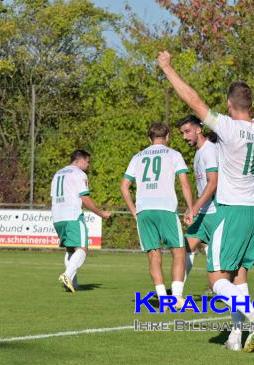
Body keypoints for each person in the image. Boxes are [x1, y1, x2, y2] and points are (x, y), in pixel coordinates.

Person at [159, 49, 254, 351]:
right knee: (238, 275)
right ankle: (235, 337)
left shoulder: (229, 128)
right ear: (252, 105)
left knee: (215, 278)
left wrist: (168, 68)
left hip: (232, 210)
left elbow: (194, 101)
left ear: (230, 105)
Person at [120, 122, 194, 309]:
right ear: (168, 136)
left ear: (149, 138)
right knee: (179, 252)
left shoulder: (137, 157)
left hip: (144, 210)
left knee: (153, 254)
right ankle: (176, 298)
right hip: (166, 208)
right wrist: (191, 207)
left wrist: (133, 210)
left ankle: (162, 299)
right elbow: (185, 184)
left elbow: (124, 187)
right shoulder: (174, 155)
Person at [51, 149, 111, 293]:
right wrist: (101, 213)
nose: (88, 165)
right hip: (73, 215)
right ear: (81, 160)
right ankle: (67, 276)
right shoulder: (79, 174)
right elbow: (85, 199)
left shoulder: (58, 173)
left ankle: (72, 283)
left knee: (71, 249)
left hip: (57, 216)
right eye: (88, 162)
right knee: (82, 249)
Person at [176, 115, 218, 295]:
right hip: (204, 212)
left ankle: (231, 294)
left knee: (220, 263)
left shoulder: (209, 150)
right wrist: (192, 206)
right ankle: (176, 294)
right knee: (186, 247)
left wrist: (194, 208)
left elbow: (213, 183)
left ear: (199, 129)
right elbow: (203, 187)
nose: (185, 137)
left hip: (216, 212)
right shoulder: (199, 152)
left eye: (187, 131)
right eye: (182, 133)